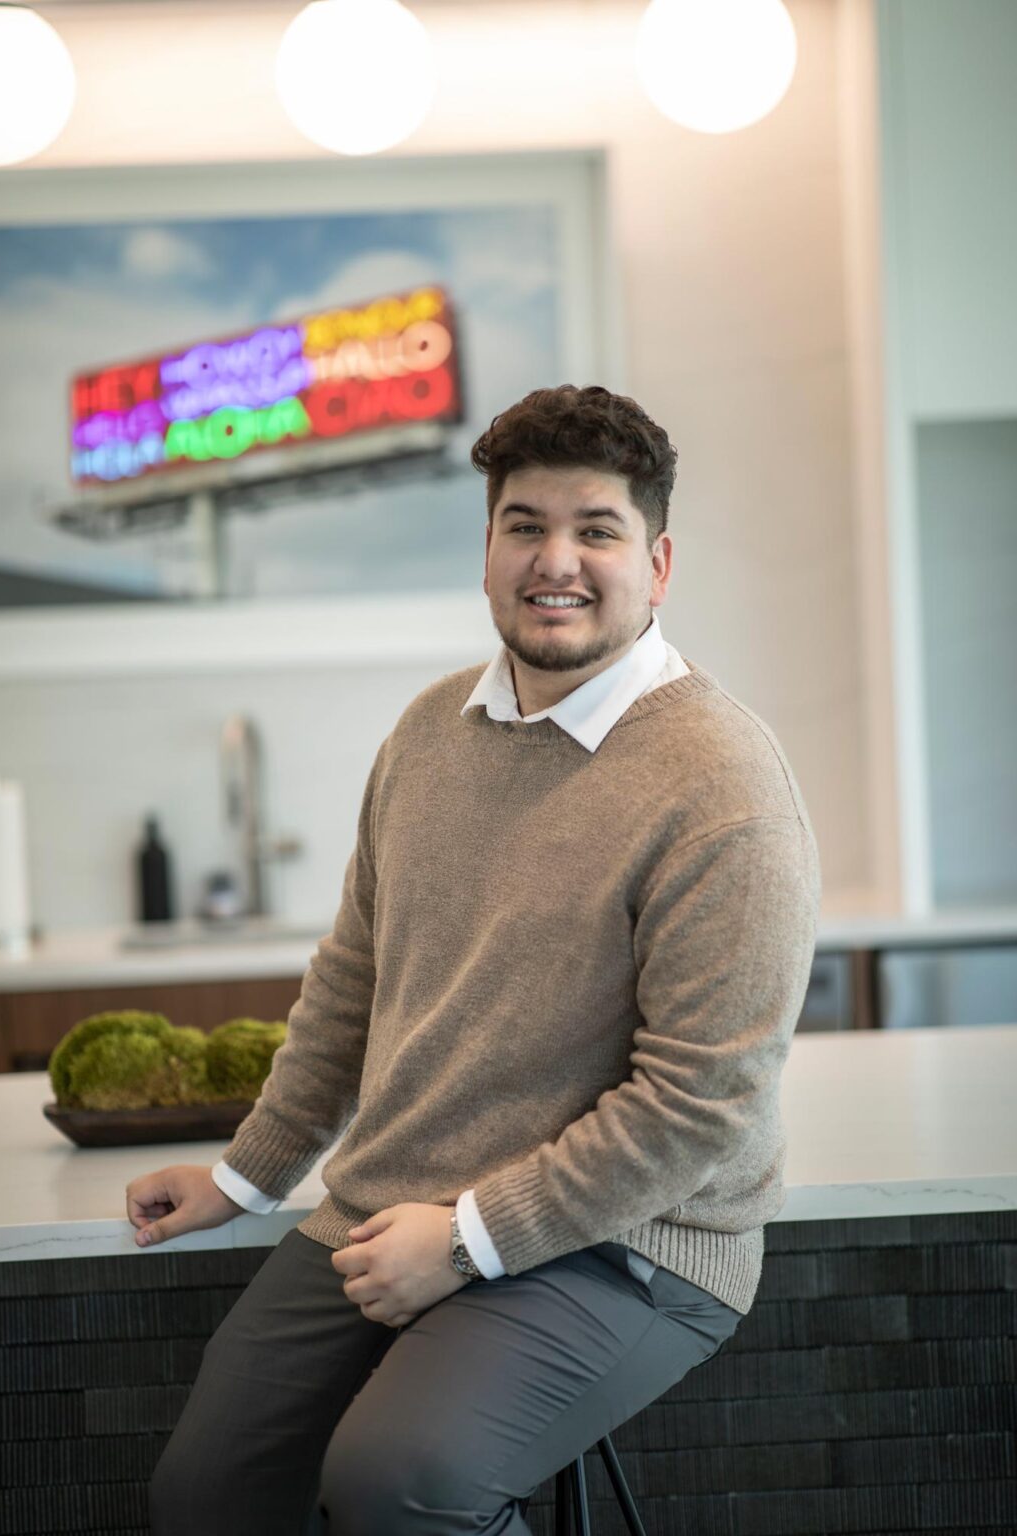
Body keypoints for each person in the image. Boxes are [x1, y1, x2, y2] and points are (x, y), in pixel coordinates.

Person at [129, 383, 821, 1536]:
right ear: (489, 550)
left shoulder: (723, 785)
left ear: (656, 564)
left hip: (633, 1244)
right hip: (392, 1208)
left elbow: (699, 1105)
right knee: (203, 1496)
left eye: (595, 529)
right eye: (524, 526)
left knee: (401, 1490)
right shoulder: (426, 732)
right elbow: (354, 974)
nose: (557, 559)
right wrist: (246, 1175)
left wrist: (468, 1240)